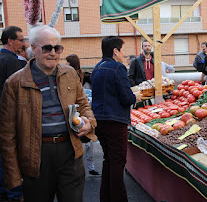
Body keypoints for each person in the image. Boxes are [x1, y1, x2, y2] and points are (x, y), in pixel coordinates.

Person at [0, 25, 97, 202]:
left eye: (57, 48)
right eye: (47, 48)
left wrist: (89, 123)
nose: (53, 52)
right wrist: (13, 178)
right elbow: (7, 135)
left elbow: (84, 104)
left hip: (70, 151)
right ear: (34, 48)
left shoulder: (70, 74)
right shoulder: (14, 83)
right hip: (36, 157)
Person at [91, 36, 141, 202]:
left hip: (99, 121)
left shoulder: (97, 68)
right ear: (115, 51)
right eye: (123, 50)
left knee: (109, 160)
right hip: (115, 121)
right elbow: (126, 97)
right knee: (118, 162)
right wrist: (136, 96)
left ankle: (106, 197)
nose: (124, 54)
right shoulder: (117, 67)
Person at [0, 26, 25, 202]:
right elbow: (18, 94)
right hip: (8, 118)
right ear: (10, 41)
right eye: (20, 40)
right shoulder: (12, 62)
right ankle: (13, 193)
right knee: (10, 156)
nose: (23, 44)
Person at [66, 54, 100, 176]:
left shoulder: (77, 75)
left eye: (68, 62)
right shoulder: (71, 74)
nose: (66, 65)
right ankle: (85, 167)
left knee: (85, 139)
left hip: (79, 111)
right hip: (77, 110)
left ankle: (86, 167)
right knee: (83, 139)